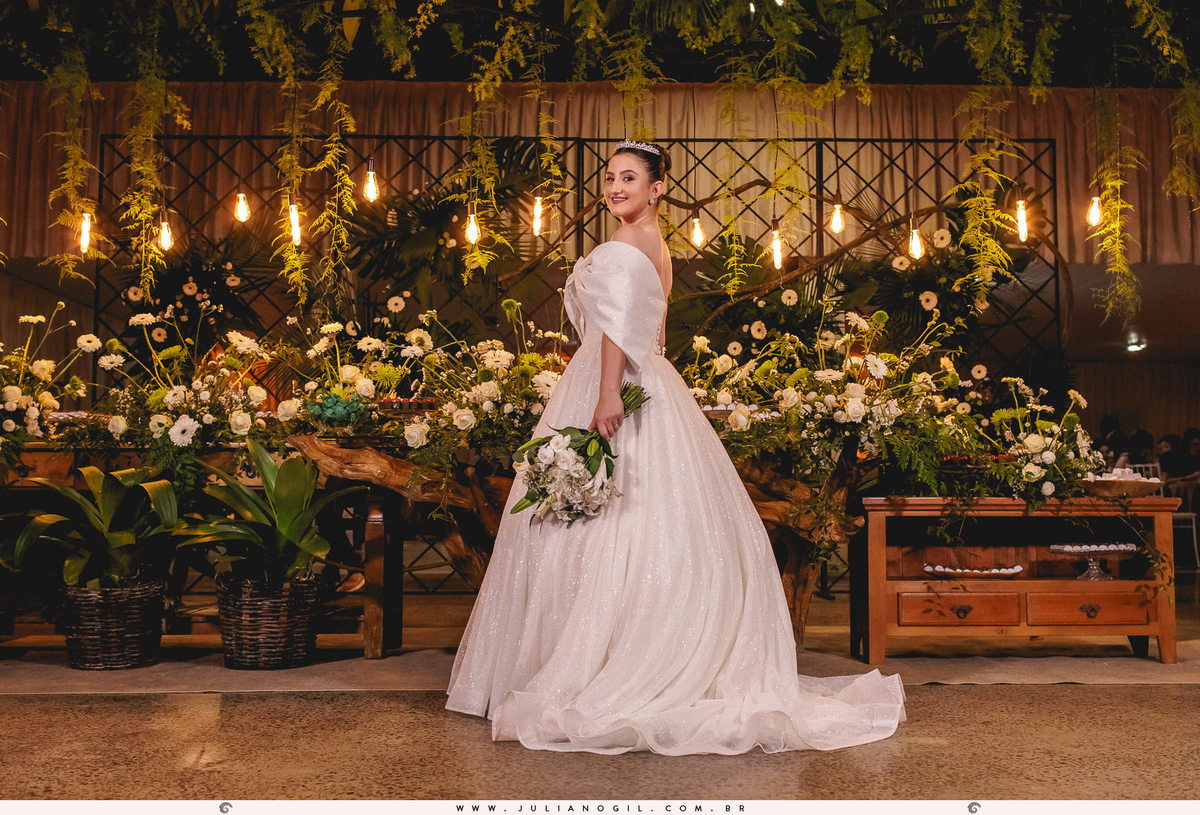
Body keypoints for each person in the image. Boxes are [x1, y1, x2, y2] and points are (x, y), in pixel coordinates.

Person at [445, 140, 906, 755]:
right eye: (609, 178)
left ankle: (603, 660)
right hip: (651, 380)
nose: (613, 187)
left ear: (657, 187)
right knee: (622, 518)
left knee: (604, 517)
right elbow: (653, 334)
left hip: (615, 382)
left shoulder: (623, 248)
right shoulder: (658, 249)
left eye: (628, 178)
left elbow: (615, 328)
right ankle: (613, 648)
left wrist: (607, 393)